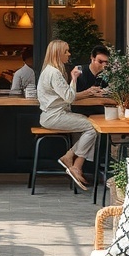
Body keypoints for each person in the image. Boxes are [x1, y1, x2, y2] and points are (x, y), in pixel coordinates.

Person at [36, 40, 98, 192]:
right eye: (66, 51)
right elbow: (69, 97)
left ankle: (76, 166)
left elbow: (66, 96)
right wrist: (74, 78)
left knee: (88, 128)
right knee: (93, 127)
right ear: (58, 53)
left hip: (51, 115)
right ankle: (71, 159)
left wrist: (85, 92)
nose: (69, 54)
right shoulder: (54, 73)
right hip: (54, 116)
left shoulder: (48, 71)